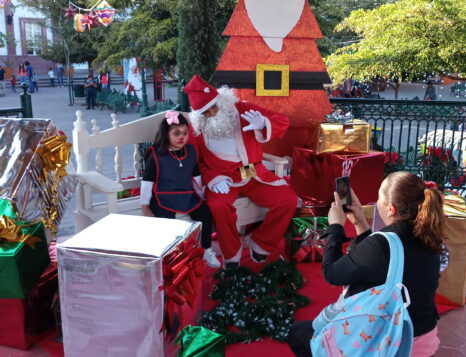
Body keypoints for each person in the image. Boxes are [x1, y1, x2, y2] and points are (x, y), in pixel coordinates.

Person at [288, 172, 445, 357]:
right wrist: (360, 223)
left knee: (298, 334)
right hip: (422, 342)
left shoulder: (383, 243)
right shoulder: (428, 237)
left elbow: (332, 273)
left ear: (391, 209)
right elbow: (378, 262)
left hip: (389, 344)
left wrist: (335, 227)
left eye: (379, 198)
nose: (376, 203)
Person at [183, 75, 298, 268]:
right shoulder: (197, 129)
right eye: (205, 112)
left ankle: (261, 243)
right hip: (222, 178)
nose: (211, 114)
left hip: (251, 172)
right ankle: (231, 254)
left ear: (222, 101)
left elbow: (282, 120)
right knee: (218, 207)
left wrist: (263, 124)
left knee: (288, 199)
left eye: (213, 107)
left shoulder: (244, 110)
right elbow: (195, 162)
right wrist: (212, 178)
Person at [139, 111, 220, 268]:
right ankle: (168, 256)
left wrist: (201, 196)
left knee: (204, 213)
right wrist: (145, 206)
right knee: (165, 221)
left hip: (187, 194)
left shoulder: (190, 151)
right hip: (163, 196)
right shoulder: (156, 154)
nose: (181, 137)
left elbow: (195, 176)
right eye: (176, 133)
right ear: (166, 134)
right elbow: (147, 181)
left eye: (184, 133)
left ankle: (206, 249)